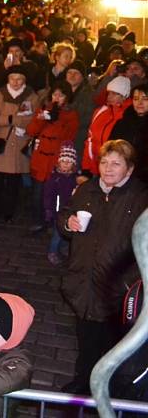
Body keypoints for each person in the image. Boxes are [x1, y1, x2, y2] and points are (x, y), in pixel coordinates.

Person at [58, 139, 148, 394]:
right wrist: (68, 222)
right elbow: (64, 215)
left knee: (113, 343)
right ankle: (83, 379)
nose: (108, 169)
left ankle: (110, 390)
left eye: (116, 163)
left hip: (117, 287)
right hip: (83, 280)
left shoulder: (140, 197)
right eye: (104, 162)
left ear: (129, 169)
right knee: (85, 337)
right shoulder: (86, 190)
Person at [0, 67, 38, 223]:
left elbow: (31, 119)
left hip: (18, 144)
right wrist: (11, 119)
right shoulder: (0, 94)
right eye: (12, 78)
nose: (15, 82)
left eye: (19, 78)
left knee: (13, 184)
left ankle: (9, 212)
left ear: (24, 80)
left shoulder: (31, 96)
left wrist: (11, 119)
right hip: (1, 143)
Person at [26, 81, 79, 229]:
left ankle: (53, 222)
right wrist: (41, 119)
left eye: (61, 95)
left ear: (67, 97)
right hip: (40, 159)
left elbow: (69, 136)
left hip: (56, 160)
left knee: (54, 193)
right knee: (37, 193)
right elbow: (31, 131)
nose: (57, 98)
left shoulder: (71, 114)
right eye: (55, 94)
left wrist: (58, 119)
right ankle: (37, 221)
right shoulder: (43, 109)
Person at [82, 75, 132, 178]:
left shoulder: (128, 115)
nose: (109, 97)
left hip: (115, 170)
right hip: (95, 168)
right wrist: (86, 167)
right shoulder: (100, 112)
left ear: (124, 96)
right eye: (109, 93)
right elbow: (90, 141)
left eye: (115, 94)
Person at [43, 144, 78, 266]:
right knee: (57, 234)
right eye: (63, 161)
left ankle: (63, 247)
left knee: (67, 232)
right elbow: (48, 195)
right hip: (58, 212)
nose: (65, 164)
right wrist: (48, 210)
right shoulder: (54, 178)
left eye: (68, 162)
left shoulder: (75, 178)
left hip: (70, 211)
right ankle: (52, 251)